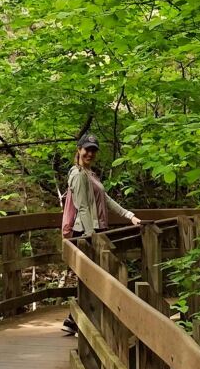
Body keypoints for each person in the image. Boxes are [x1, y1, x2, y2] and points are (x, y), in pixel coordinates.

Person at [60, 133, 140, 333]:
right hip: (87, 232)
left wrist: (129, 215)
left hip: (96, 230)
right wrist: (91, 237)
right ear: (79, 149)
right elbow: (83, 207)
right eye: (87, 149)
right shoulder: (78, 175)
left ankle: (75, 320)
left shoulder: (90, 174)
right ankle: (77, 320)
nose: (90, 153)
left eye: (94, 150)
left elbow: (106, 200)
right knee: (94, 276)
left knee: (94, 276)